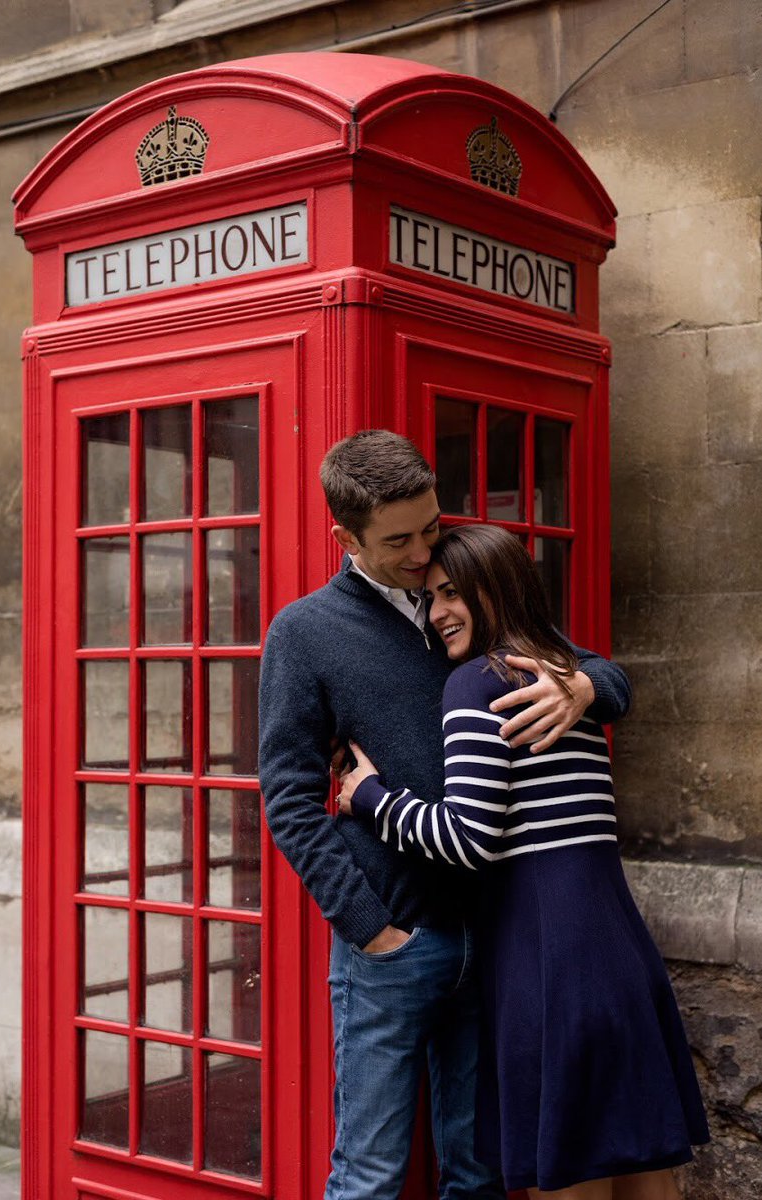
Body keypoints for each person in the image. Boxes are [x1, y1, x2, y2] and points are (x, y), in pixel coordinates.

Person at [259, 430, 632, 1200]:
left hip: (492, 932)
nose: (424, 552)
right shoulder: (304, 632)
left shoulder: (463, 598)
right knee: (367, 1175)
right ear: (345, 537)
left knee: (477, 1169)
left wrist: (588, 691)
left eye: (431, 527)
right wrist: (370, 928)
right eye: (399, 540)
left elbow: (597, 669)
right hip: (394, 944)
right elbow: (290, 798)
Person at [337, 522, 708, 1200]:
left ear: (495, 590)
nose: (438, 612)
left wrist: (370, 798)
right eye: (430, 598)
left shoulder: (475, 684)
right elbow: (610, 682)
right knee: (645, 1171)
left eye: (453, 593)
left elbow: (467, 839)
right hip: (618, 950)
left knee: (560, 1176)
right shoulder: (564, 673)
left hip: (547, 962)